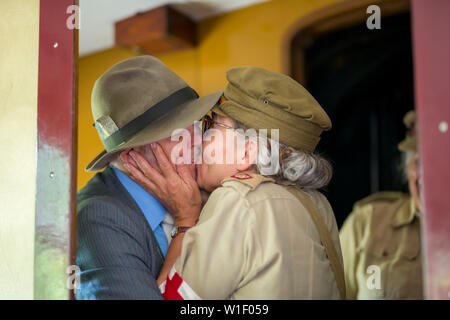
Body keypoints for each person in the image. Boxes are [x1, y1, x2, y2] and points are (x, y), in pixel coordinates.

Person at [125, 66, 346, 299]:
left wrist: (185, 220)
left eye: (211, 126)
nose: (200, 139)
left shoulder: (239, 199)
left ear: (246, 153)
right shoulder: (318, 204)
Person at [75, 55, 222, 299]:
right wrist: (186, 223)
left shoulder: (202, 190)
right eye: (177, 134)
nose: (198, 141)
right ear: (134, 158)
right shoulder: (98, 218)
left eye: (197, 124)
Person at [339, 110, 423, 300]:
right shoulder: (366, 223)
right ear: (407, 168)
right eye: (418, 161)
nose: (428, 173)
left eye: (441, 160)